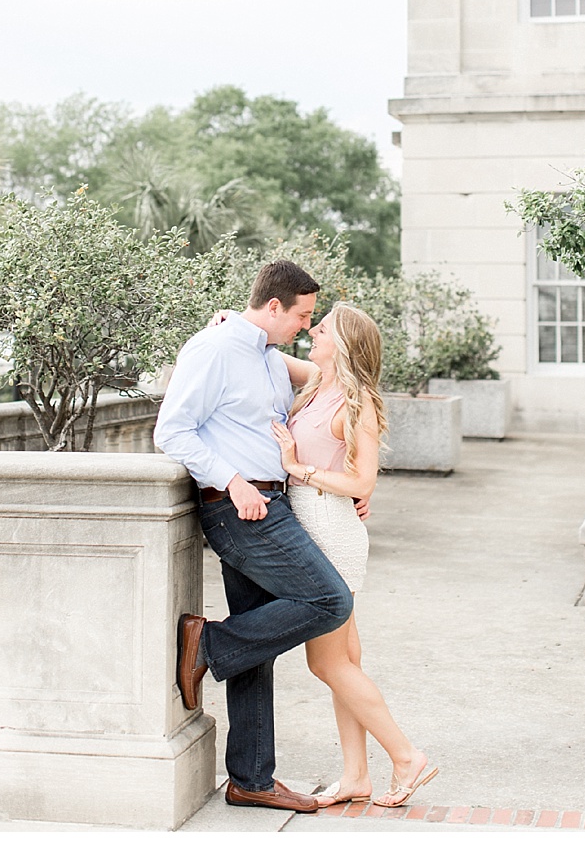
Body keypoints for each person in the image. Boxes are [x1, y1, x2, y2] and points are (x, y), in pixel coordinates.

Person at [154, 260, 349, 814]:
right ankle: (207, 645)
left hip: (272, 500)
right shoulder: (213, 350)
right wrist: (233, 481)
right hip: (240, 510)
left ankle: (250, 779)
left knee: (255, 647)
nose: (307, 327)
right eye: (303, 316)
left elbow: (338, 384)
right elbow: (171, 430)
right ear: (273, 308)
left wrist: (357, 480)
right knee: (328, 599)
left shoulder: (267, 356)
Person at [264, 303, 437, 809]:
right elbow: (265, 352)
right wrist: (230, 322)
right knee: (344, 660)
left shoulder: (356, 405)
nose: (311, 333)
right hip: (314, 527)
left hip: (329, 534)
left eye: (321, 329)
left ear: (342, 344)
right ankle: (356, 775)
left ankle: (405, 756)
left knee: (326, 662)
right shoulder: (318, 381)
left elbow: (362, 482)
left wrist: (297, 467)